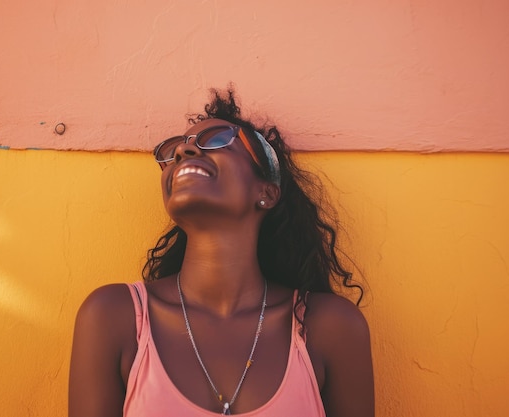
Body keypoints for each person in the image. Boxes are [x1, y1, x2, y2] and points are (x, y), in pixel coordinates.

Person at [69, 88, 374, 416]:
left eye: (215, 140)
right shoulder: (115, 318)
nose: (184, 151)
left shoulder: (329, 327)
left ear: (267, 193)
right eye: (174, 150)